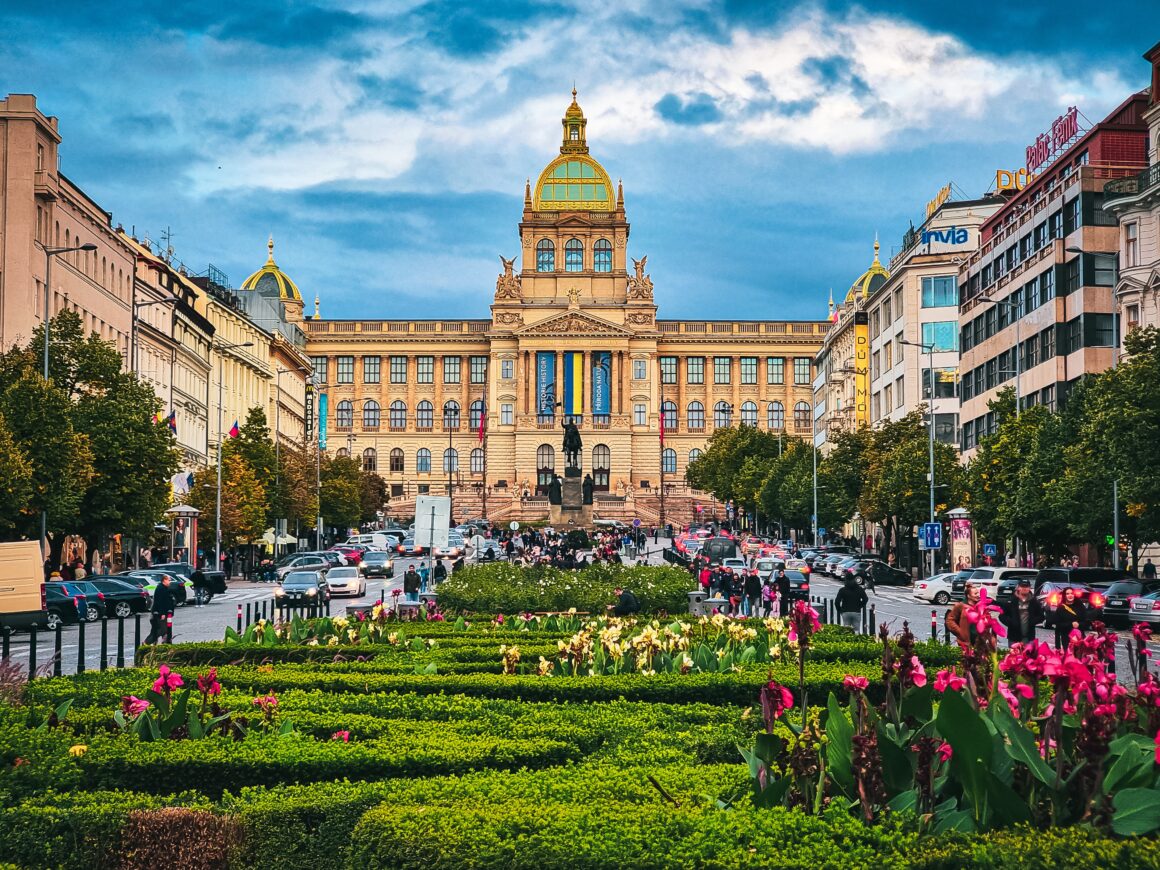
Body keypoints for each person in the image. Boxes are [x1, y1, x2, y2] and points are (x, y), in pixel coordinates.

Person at [1000, 578, 1043, 647]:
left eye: (1026, 587)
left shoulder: (1034, 601)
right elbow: (1002, 615)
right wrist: (1011, 623)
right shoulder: (1011, 600)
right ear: (1018, 587)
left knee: (1029, 656)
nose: (1024, 588)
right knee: (1013, 656)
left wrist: (1032, 622)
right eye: (1022, 586)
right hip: (1013, 637)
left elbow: (1041, 616)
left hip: (1029, 637)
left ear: (1029, 588)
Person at [945, 582, 983, 647]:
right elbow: (950, 620)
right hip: (965, 642)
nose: (978, 595)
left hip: (980, 642)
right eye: (975, 593)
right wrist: (960, 632)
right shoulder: (960, 606)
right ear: (968, 596)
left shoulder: (981, 606)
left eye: (978, 593)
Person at [145, 574, 175, 644]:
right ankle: (147, 643)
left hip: (162, 613)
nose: (170, 582)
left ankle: (163, 643)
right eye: (169, 580)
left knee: (160, 630)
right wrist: (162, 613)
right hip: (159, 614)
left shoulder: (164, 588)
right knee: (161, 631)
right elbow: (160, 602)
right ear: (164, 580)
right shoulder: (161, 589)